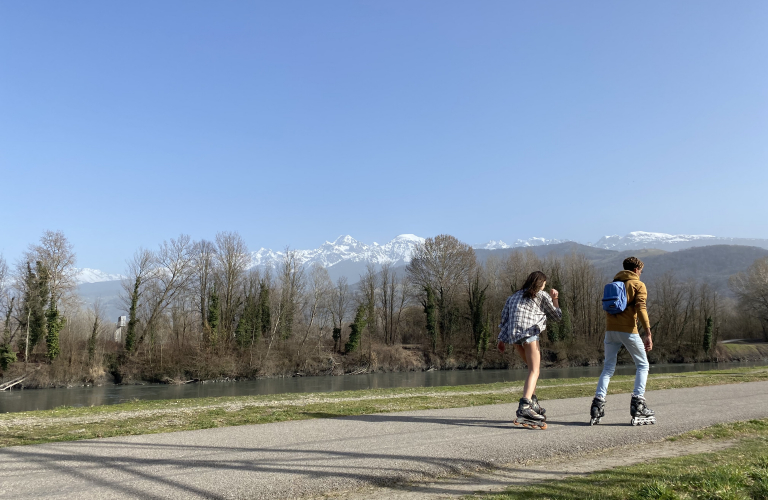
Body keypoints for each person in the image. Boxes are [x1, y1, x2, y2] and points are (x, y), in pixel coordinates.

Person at [590, 256, 656, 426]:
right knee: (643, 365)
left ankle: (598, 404)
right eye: (640, 270)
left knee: (608, 368)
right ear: (636, 270)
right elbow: (641, 308)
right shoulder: (638, 285)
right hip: (628, 331)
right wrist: (648, 333)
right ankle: (638, 403)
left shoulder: (612, 284)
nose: (641, 273)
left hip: (610, 331)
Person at [497, 271, 562, 429]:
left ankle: (532, 402)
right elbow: (557, 316)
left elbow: (504, 319)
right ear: (541, 283)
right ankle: (525, 406)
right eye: (544, 284)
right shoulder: (540, 295)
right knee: (535, 371)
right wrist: (555, 299)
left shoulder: (512, 297)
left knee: (531, 370)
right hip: (529, 333)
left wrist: (501, 339)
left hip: (513, 337)